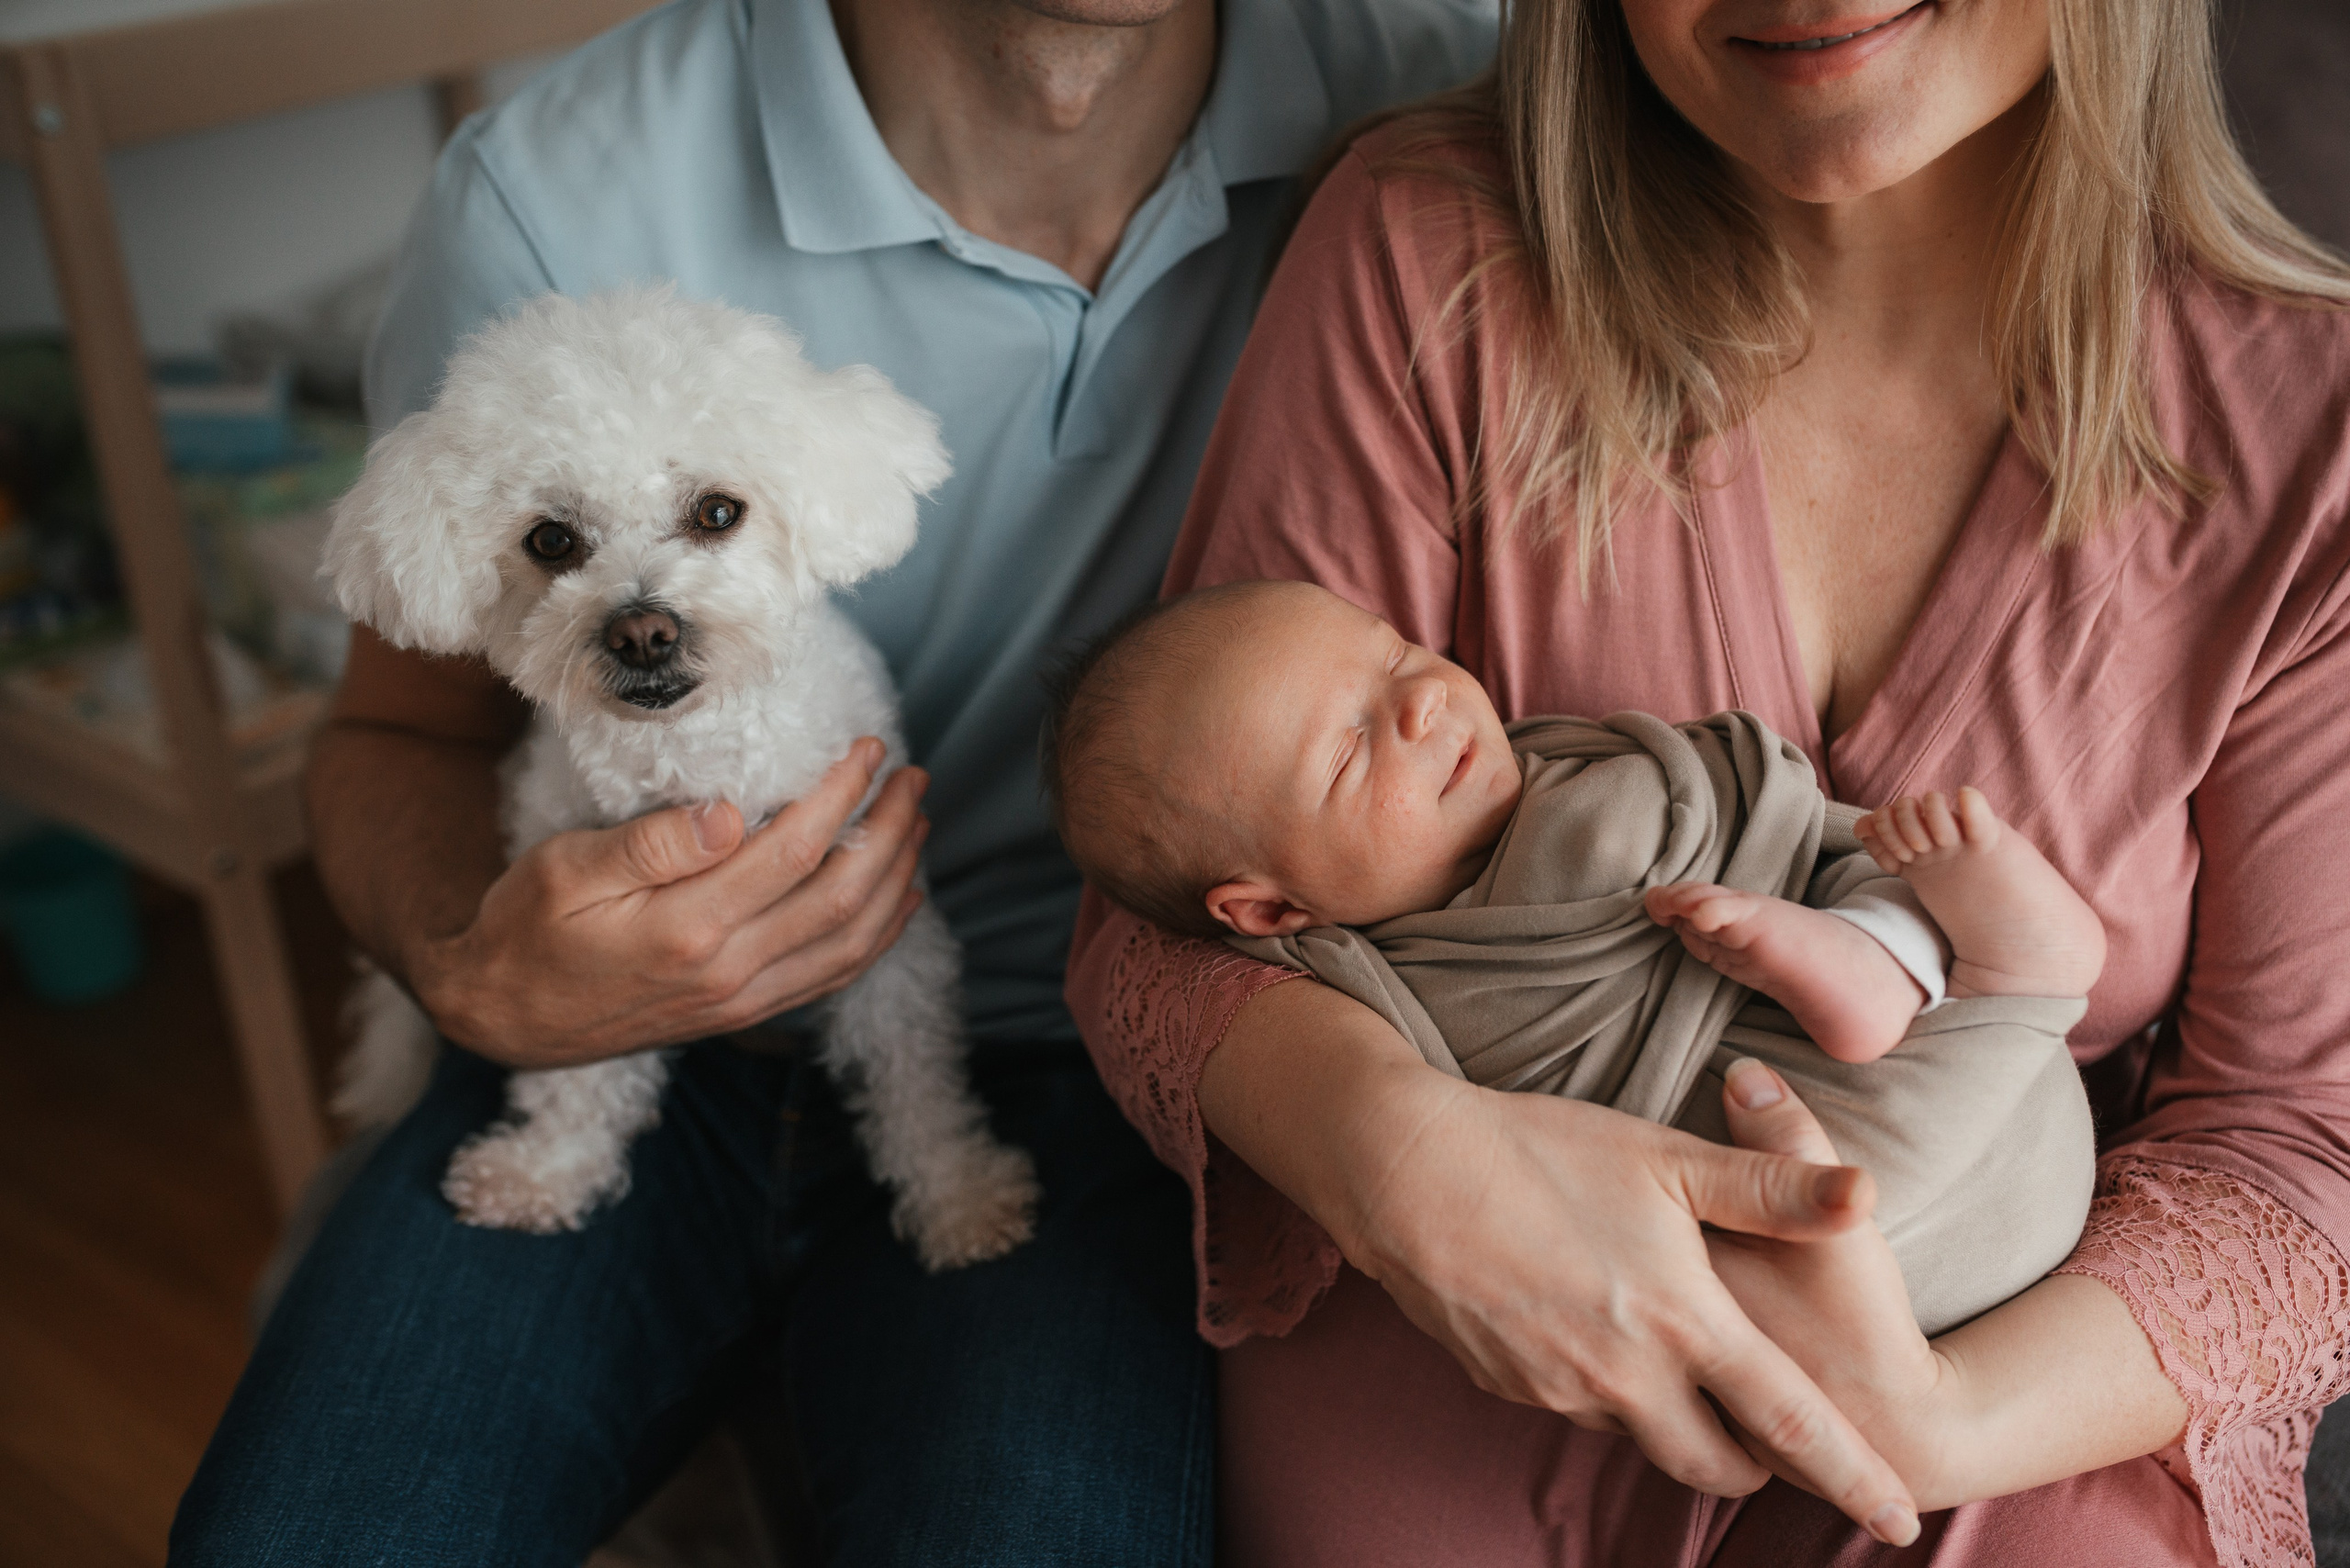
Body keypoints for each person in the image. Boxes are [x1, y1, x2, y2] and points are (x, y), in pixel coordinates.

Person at [165, 0, 1494, 1561]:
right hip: (613, 1045)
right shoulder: (546, 195)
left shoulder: (1448, 97)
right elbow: (402, 734)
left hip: (1121, 1050)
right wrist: (484, 970)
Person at [1065, 1, 2350, 1564]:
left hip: (2002, 1378)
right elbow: (1172, 901)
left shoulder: (2315, 442)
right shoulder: (1426, 250)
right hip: (1467, 1349)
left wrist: (1936, 1417)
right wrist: (1408, 1160)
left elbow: (2294, 1146)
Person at [1044, 577, 2102, 1064]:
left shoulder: (1575, 759)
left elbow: (1763, 810)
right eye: (1353, 747)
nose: (1422, 700)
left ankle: (1933, 956)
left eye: (1394, 652)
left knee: (1877, 873)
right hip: (1796, 1145)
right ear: (1271, 907)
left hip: (1930, 1012)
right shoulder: (1371, 1001)